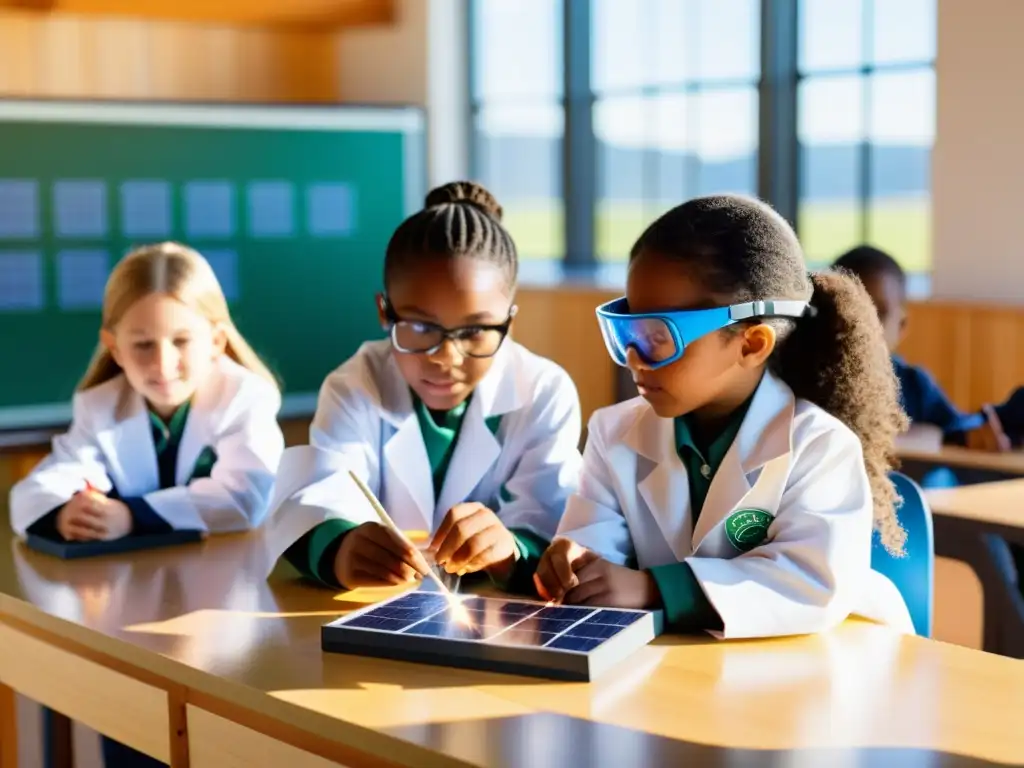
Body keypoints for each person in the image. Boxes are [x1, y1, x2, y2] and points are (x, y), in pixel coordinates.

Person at [534, 195, 913, 639]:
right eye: (627, 330)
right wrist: (576, 564)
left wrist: (655, 588)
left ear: (751, 344)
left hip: (821, 671)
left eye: (659, 336)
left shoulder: (818, 446)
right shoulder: (613, 433)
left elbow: (809, 584)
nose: (634, 357)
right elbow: (595, 551)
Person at [8, 242, 285, 767]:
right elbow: (37, 490)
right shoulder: (100, 406)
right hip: (131, 618)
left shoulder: (244, 397)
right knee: (133, 732)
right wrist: (66, 510)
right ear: (112, 347)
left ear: (216, 340)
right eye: (142, 345)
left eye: (182, 340)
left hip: (229, 615)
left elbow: (246, 497)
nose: (163, 363)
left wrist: (130, 513)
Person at [266, 181, 582, 594]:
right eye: (419, 326)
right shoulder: (354, 387)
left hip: (495, 620)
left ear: (509, 322)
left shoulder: (543, 390)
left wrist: (510, 551)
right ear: (385, 311)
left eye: (475, 330)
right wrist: (341, 548)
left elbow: (553, 522)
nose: (446, 357)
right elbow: (318, 498)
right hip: (382, 611)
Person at [832, 245, 1009, 452]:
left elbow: (957, 426)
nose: (860, 326)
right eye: (846, 310)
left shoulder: (913, 385)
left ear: (901, 326)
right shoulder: (807, 381)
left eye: (878, 313)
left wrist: (976, 432)